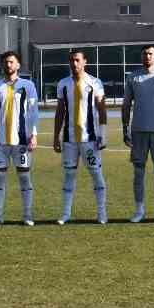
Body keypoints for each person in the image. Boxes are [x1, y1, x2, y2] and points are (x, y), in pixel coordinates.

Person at [53, 48, 108, 225]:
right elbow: (60, 112)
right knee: (69, 176)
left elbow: (102, 109)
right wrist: (56, 136)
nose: (74, 63)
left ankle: (102, 214)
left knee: (96, 174)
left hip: (89, 139)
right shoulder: (63, 84)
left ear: (85, 62)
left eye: (77, 60)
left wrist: (103, 134)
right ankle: (66, 214)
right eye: (71, 60)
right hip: (69, 140)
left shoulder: (95, 82)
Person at [0, 50, 39, 227]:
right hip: (0, 142)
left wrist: (34, 135)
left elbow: (33, 112)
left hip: (21, 141)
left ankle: (27, 215)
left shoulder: (28, 85)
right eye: (6, 62)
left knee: (24, 178)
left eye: (11, 62)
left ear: (18, 65)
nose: (8, 65)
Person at [122, 45, 154, 223]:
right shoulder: (132, 77)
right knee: (138, 173)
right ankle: (139, 210)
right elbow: (126, 104)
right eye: (144, 53)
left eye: (151, 53)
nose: (147, 56)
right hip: (138, 131)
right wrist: (125, 128)